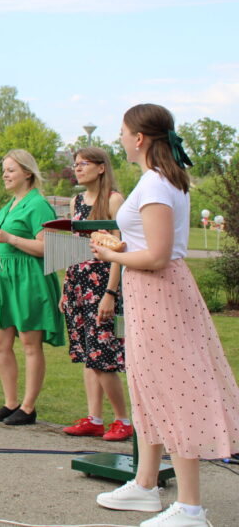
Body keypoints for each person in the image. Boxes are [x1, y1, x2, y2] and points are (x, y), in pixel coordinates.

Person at [93, 104, 239, 527]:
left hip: (160, 295)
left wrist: (107, 253)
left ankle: (191, 508)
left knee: (174, 389)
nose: (119, 138)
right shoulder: (162, 180)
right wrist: (118, 249)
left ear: (139, 139)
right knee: (148, 385)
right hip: (152, 293)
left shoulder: (156, 184)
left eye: (122, 132)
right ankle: (144, 485)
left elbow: (157, 256)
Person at [0, 149, 63, 426]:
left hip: (29, 279)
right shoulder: (9, 205)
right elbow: (5, 238)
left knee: (30, 343)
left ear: (27, 173)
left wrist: (10, 239)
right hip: (3, 279)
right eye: (4, 169)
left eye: (11, 170)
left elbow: (48, 248)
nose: (5, 174)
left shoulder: (37, 204)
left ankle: (28, 407)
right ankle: (10, 402)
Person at [59, 147, 132, 441]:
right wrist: (67, 287)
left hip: (104, 284)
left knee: (103, 356)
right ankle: (94, 418)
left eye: (83, 163)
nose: (77, 168)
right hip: (79, 283)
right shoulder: (76, 200)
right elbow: (75, 245)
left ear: (101, 167)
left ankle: (123, 420)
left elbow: (120, 250)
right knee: (89, 354)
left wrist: (111, 293)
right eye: (75, 164)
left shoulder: (115, 201)